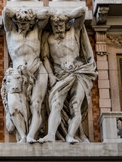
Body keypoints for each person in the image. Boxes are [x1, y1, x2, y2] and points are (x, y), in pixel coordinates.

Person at [39, 7, 97, 143]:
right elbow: (46, 58)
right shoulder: (49, 39)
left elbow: (82, 12)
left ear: (66, 23)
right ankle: (51, 135)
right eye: (55, 25)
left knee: (75, 105)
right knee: (56, 103)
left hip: (79, 73)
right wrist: (51, 76)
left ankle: (71, 135)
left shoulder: (73, 32)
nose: (58, 28)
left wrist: (64, 14)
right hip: (60, 75)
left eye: (60, 25)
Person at [3, 6, 49, 143]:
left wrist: (30, 14)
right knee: (13, 105)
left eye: (26, 23)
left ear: (31, 22)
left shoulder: (36, 30)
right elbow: (6, 11)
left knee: (36, 105)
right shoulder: (10, 30)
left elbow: (46, 14)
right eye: (20, 23)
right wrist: (20, 14)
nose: (23, 26)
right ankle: (22, 135)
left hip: (37, 70)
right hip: (17, 74)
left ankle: (31, 136)